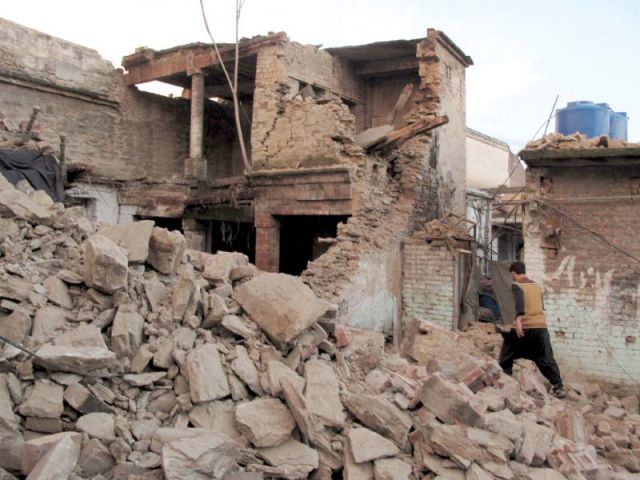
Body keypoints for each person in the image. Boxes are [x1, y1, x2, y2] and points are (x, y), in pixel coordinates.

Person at [497, 261, 565, 399]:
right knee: (545, 358)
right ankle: (558, 387)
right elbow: (540, 305)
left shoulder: (517, 285)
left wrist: (518, 322)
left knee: (507, 351)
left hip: (526, 326)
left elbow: (520, 305)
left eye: (512, 274)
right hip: (540, 327)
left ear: (514, 273)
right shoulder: (537, 286)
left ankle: (506, 377)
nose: (512, 277)